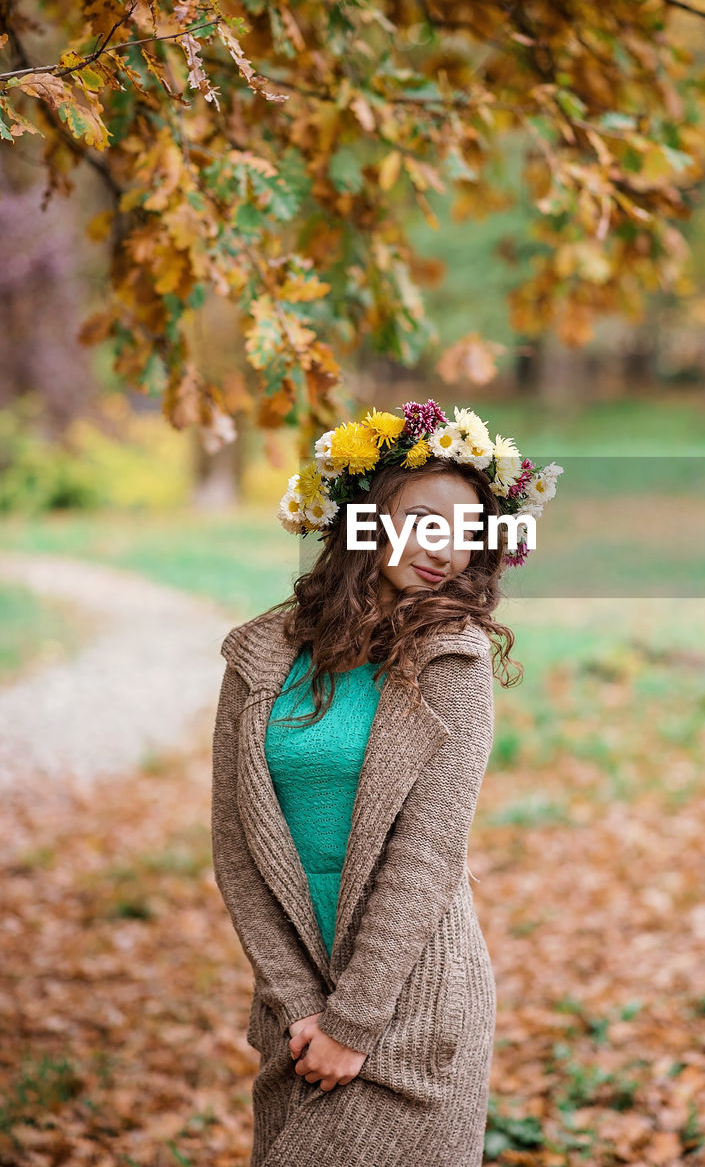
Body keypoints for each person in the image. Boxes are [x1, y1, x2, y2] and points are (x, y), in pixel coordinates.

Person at [210, 401, 561, 1167]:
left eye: (469, 532)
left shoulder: (453, 662)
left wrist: (351, 1024)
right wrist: (306, 1010)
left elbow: (427, 856)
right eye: (424, 519)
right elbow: (236, 853)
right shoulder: (259, 656)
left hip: (415, 1008)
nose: (446, 549)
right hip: (294, 1021)